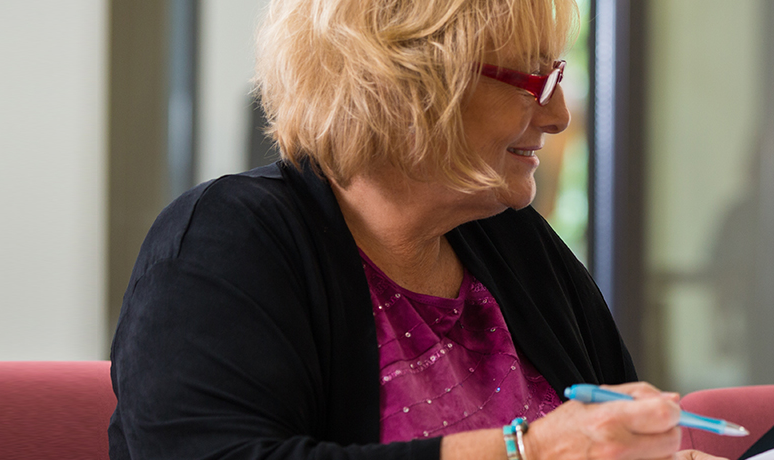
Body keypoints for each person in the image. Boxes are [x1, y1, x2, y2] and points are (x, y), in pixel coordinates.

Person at [108, 1, 721, 459]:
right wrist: (528, 451)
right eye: (535, 78)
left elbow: (612, 429)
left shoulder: (517, 242)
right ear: (412, 84)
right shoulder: (224, 244)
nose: (559, 115)